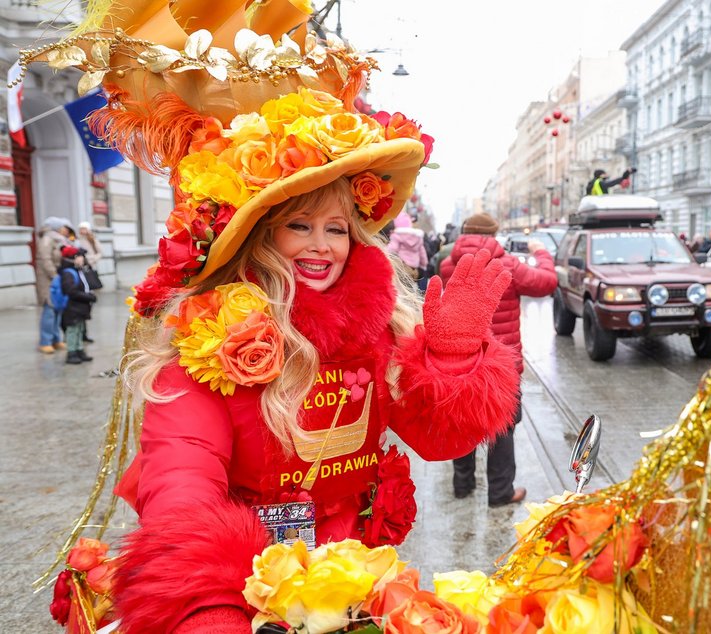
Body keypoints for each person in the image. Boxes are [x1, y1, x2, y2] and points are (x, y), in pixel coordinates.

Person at [34, 20, 523, 632]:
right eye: (299, 225)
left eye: (337, 227)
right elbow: (182, 482)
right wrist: (209, 610)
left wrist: (452, 359)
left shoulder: (378, 328)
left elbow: (438, 442)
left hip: (357, 581)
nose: (322, 246)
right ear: (260, 235)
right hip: (244, 593)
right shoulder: (206, 342)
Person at [441, 212, 557, 506]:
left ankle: (462, 485)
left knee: (462, 423)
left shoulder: (448, 265)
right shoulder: (508, 266)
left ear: (465, 233)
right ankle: (501, 492)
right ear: (494, 235)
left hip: (461, 362)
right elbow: (546, 282)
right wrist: (541, 253)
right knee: (502, 427)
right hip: (502, 366)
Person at [35, 217, 74, 353]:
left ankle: (56, 339)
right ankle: (45, 341)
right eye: (64, 227)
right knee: (49, 310)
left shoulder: (58, 239)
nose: (66, 230)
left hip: (57, 278)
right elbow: (45, 259)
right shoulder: (47, 238)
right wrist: (54, 274)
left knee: (58, 309)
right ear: (56, 227)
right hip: (48, 280)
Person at [57, 245, 96, 364]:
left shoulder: (78, 270)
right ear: (73, 258)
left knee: (79, 328)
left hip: (80, 307)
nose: (83, 258)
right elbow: (71, 291)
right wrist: (88, 297)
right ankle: (71, 352)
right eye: (80, 256)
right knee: (72, 330)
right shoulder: (68, 273)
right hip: (72, 308)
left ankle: (79, 350)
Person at [387, 210, 428, 289]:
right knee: (410, 288)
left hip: (403, 267)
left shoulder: (397, 235)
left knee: (401, 288)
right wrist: (423, 265)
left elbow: (392, 249)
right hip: (414, 269)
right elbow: (422, 253)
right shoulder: (417, 237)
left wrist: (383, 250)